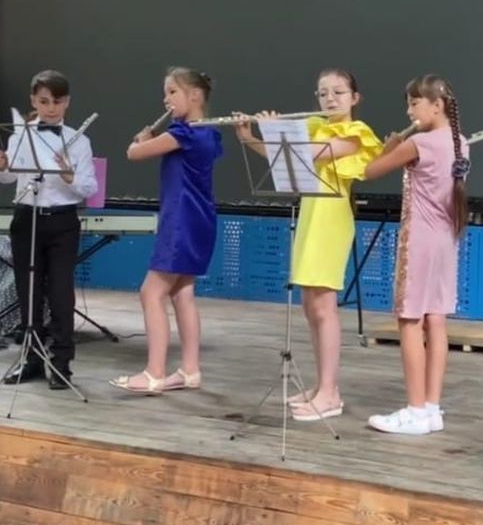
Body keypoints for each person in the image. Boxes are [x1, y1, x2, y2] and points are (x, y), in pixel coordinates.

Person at [235, 68, 381, 420]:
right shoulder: (315, 127)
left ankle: (330, 393)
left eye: (338, 92)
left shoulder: (357, 133)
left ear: (355, 98)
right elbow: (285, 156)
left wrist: (273, 130)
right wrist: (250, 137)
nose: (330, 99)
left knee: (324, 306)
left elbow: (314, 154)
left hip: (332, 220)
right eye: (323, 93)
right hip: (310, 216)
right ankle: (322, 386)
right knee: (310, 306)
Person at [364, 74, 469, 435]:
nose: (409, 111)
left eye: (414, 103)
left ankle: (415, 409)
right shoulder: (460, 143)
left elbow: (369, 171)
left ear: (436, 106)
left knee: (409, 320)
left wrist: (390, 146)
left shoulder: (419, 143)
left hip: (420, 241)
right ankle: (431, 409)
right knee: (435, 319)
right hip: (445, 240)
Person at [110, 67, 222, 395]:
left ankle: (154, 373)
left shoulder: (184, 134)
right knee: (182, 292)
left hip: (181, 222)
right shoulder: (209, 133)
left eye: (172, 91)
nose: (166, 98)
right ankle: (189, 370)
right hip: (199, 220)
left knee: (151, 292)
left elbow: (134, 153)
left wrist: (142, 139)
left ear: (195, 96)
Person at [0, 69, 98, 389]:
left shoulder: (79, 141)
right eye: (44, 101)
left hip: (62, 222)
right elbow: (9, 177)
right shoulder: (20, 134)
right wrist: (2, 167)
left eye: (57, 101)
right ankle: (30, 358)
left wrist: (70, 176)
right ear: (33, 101)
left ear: (67, 102)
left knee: (59, 293)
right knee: (29, 292)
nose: (51, 108)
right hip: (26, 218)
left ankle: (61, 363)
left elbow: (89, 187)